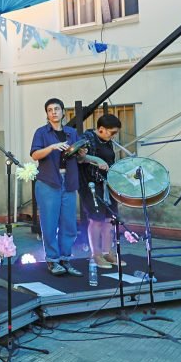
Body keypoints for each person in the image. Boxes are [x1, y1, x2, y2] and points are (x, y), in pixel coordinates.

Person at [30, 98, 84, 276]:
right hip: (48, 182)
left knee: (69, 224)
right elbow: (35, 154)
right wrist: (52, 147)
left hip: (68, 181)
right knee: (49, 223)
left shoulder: (72, 132)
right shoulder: (41, 132)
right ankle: (52, 260)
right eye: (50, 110)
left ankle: (65, 259)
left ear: (63, 112)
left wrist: (82, 152)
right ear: (47, 114)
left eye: (57, 109)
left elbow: (79, 156)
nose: (53, 112)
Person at [77, 114, 125, 269]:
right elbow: (79, 157)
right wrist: (96, 160)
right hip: (91, 184)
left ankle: (107, 252)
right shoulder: (87, 138)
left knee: (110, 220)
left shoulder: (107, 141)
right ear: (101, 129)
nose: (113, 136)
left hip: (107, 184)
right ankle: (95, 254)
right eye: (112, 132)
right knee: (96, 220)